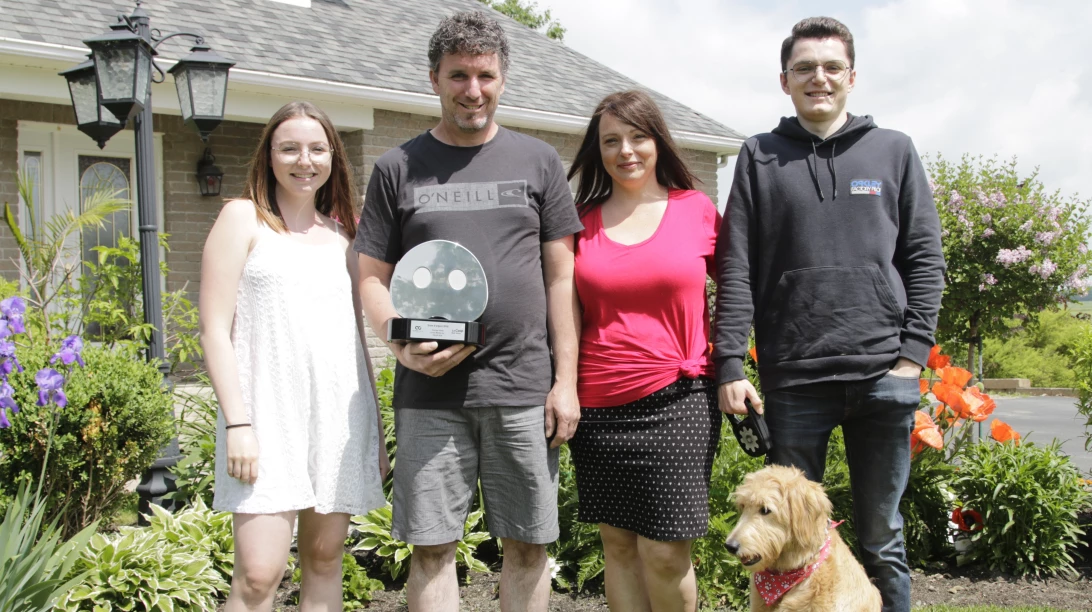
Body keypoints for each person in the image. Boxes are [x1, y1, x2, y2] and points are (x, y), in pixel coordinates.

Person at [713, 16, 945, 612]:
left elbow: (924, 258)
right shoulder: (759, 156)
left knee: (882, 538)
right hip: (795, 381)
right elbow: (735, 266)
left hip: (882, 376)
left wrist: (911, 356)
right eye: (805, 68)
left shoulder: (893, 150)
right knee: (783, 536)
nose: (819, 78)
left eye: (832, 67)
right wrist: (732, 363)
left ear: (851, 76)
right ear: (785, 80)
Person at [354, 11, 583, 612]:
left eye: (484, 75)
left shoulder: (538, 162)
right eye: (458, 75)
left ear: (503, 78)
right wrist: (396, 340)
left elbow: (562, 278)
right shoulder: (396, 168)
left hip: (522, 387)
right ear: (434, 78)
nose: (472, 90)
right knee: (432, 549)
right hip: (430, 393)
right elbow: (371, 278)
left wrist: (566, 383)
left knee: (528, 545)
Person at [199, 101, 387, 612]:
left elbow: (356, 341)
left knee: (326, 560)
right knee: (259, 574)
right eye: (290, 148)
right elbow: (214, 330)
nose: (304, 161)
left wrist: (375, 433)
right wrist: (238, 424)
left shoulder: (345, 238)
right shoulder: (242, 219)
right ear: (269, 155)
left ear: (333, 158)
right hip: (264, 418)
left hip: (338, 420)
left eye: (317, 149)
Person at [566, 90, 721, 612]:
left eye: (638, 136)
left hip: (678, 400)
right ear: (597, 150)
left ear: (658, 142)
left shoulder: (695, 210)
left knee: (664, 551)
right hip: (598, 405)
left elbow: (739, 290)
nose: (626, 150)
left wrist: (729, 360)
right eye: (611, 140)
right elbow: (566, 311)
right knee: (619, 547)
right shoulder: (579, 222)